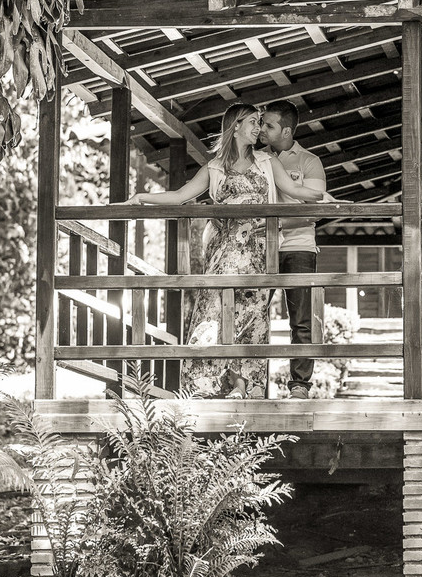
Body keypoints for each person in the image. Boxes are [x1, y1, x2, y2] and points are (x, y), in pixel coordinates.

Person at [123, 103, 335, 399]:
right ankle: (205, 388)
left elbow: (296, 192)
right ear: (235, 127)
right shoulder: (213, 168)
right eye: (252, 122)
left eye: (260, 123)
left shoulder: (267, 162)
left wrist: (324, 197)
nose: (258, 128)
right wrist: (140, 197)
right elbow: (180, 196)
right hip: (224, 254)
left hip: (259, 255)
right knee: (213, 316)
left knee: (253, 320)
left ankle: (243, 388)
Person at [260, 100, 327, 399]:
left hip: (299, 246)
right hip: (260, 246)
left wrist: (274, 220)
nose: (261, 129)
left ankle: (300, 385)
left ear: (286, 130)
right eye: (260, 123)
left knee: (300, 319)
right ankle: (248, 383)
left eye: (268, 125)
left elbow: (313, 211)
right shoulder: (255, 159)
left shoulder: (310, 161)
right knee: (252, 315)